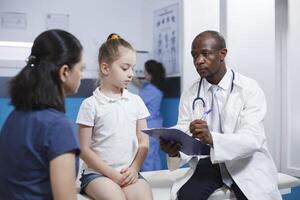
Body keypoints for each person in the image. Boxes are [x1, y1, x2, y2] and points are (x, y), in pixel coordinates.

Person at [160, 30, 282, 200]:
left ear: (222, 54)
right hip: (209, 163)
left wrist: (212, 139)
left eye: (205, 54)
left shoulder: (249, 88)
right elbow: (184, 131)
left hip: (245, 163)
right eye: (194, 56)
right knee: (186, 195)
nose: (198, 61)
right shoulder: (191, 93)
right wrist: (175, 150)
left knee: (254, 195)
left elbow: (253, 138)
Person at [0, 29, 84, 200]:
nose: (82, 75)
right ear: (65, 72)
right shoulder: (58, 126)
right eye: (81, 68)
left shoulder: (15, 116)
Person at [76, 33, 153, 200]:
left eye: (133, 68)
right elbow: (83, 149)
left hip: (129, 172)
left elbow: (144, 143)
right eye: (125, 68)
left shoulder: (136, 101)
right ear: (105, 68)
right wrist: (111, 174)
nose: (131, 74)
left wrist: (135, 168)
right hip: (97, 175)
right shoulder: (90, 105)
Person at [132, 59, 166, 171]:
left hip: (149, 125)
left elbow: (137, 102)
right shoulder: (156, 87)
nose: (144, 75)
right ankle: (157, 182)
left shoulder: (150, 89)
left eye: (145, 72)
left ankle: (148, 182)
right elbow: (139, 83)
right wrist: (130, 73)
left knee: (147, 156)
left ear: (151, 74)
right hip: (157, 124)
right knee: (155, 155)